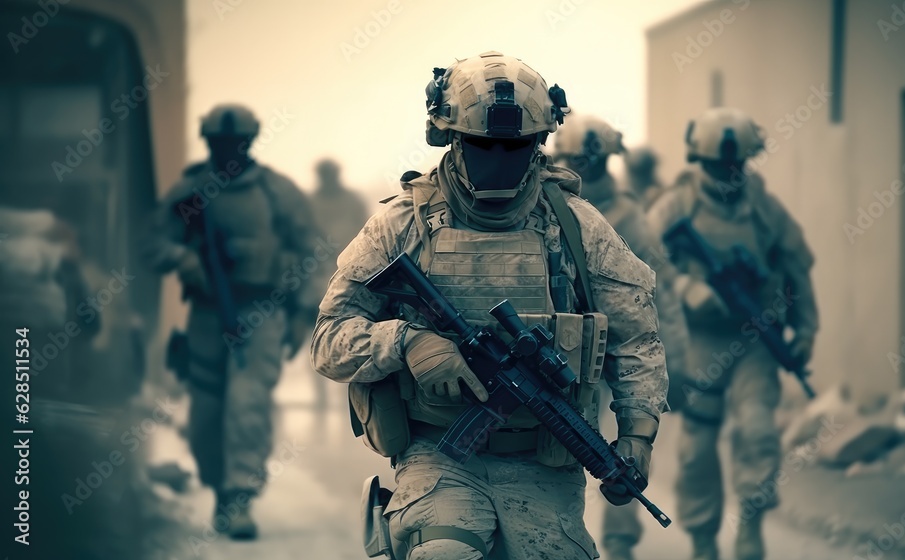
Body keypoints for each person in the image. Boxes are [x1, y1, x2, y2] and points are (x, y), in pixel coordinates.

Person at [311, 51, 669, 560]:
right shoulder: (400, 225)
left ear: (539, 143)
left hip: (545, 463)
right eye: (483, 144)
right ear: (450, 139)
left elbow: (636, 339)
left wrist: (637, 435)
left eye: (515, 146)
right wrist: (406, 342)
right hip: (437, 455)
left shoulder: (577, 228)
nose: (499, 158)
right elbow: (328, 341)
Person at [647, 108, 819, 560]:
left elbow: (797, 270)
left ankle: (751, 525)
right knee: (698, 447)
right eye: (717, 164)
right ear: (698, 162)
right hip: (699, 342)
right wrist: (687, 287)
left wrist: (804, 332)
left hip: (755, 341)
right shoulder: (675, 207)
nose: (727, 172)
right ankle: (704, 539)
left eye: (735, 164)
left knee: (758, 433)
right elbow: (639, 264)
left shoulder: (764, 208)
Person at [144, 103, 318, 540]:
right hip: (205, 314)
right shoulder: (190, 191)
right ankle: (221, 488)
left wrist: (302, 313)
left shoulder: (277, 193)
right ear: (209, 144)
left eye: (236, 143)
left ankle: (239, 494)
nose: (229, 151)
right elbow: (152, 243)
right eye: (220, 144)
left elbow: (311, 254)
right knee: (206, 414)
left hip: (262, 311)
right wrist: (185, 258)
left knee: (247, 404)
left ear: (250, 142)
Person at [552, 115, 690, 560]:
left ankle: (619, 543)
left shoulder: (630, 219)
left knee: (622, 455)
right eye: (573, 160)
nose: (582, 168)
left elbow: (657, 296)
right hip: (559, 355)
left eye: (588, 161)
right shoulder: (547, 205)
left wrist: (676, 362)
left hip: (615, 357)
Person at [305, 158, 370, 409]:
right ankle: (320, 395)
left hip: (351, 277)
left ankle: (348, 397)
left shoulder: (352, 201)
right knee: (318, 335)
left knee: (351, 334)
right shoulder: (309, 204)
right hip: (316, 277)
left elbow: (365, 235)